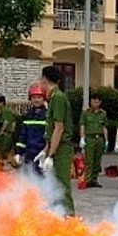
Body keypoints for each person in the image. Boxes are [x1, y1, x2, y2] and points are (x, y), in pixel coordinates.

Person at [37, 65, 75, 216]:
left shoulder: (58, 97)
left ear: (44, 79)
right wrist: (45, 151)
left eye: (41, 79)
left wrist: (51, 155)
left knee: (62, 186)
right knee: (53, 185)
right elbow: (52, 129)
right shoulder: (53, 98)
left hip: (62, 148)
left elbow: (59, 128)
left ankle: (70, 220)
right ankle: (58, 217)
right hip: (55, 147)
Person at [15, 83, 48, 171]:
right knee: (28, 180)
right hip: (28, 154)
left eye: (39, 97)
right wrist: (18, 153)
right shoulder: (27, 115)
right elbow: (23, 135)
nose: (36, 100)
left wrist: (46, 152)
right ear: (30, 99)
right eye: (34, 97)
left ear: (44, 99)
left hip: (42, 153)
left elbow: (50, 136)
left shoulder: (47, 116)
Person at [79, 92, 108, 188]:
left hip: (99, 138)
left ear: (100, 102)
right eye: (93, 101)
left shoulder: (103, 114)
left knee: (97, 160)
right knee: (89, 160)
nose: (95, 104)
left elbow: (104, 127)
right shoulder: (86, 113)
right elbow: (82, 126)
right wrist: (82, 138)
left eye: (97, 102)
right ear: (90, 102)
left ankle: (94, 179)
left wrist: (106, 140)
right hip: (89, 138)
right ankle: (88, 180)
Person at [0, 95, 18, 162]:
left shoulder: (3, 110)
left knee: (1, 151)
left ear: (1, 103)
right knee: (7, 151)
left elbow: (5, 122)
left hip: (6, 134)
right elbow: (14, 122)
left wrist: (1, 131)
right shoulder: (9, 110)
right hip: (10, 133)